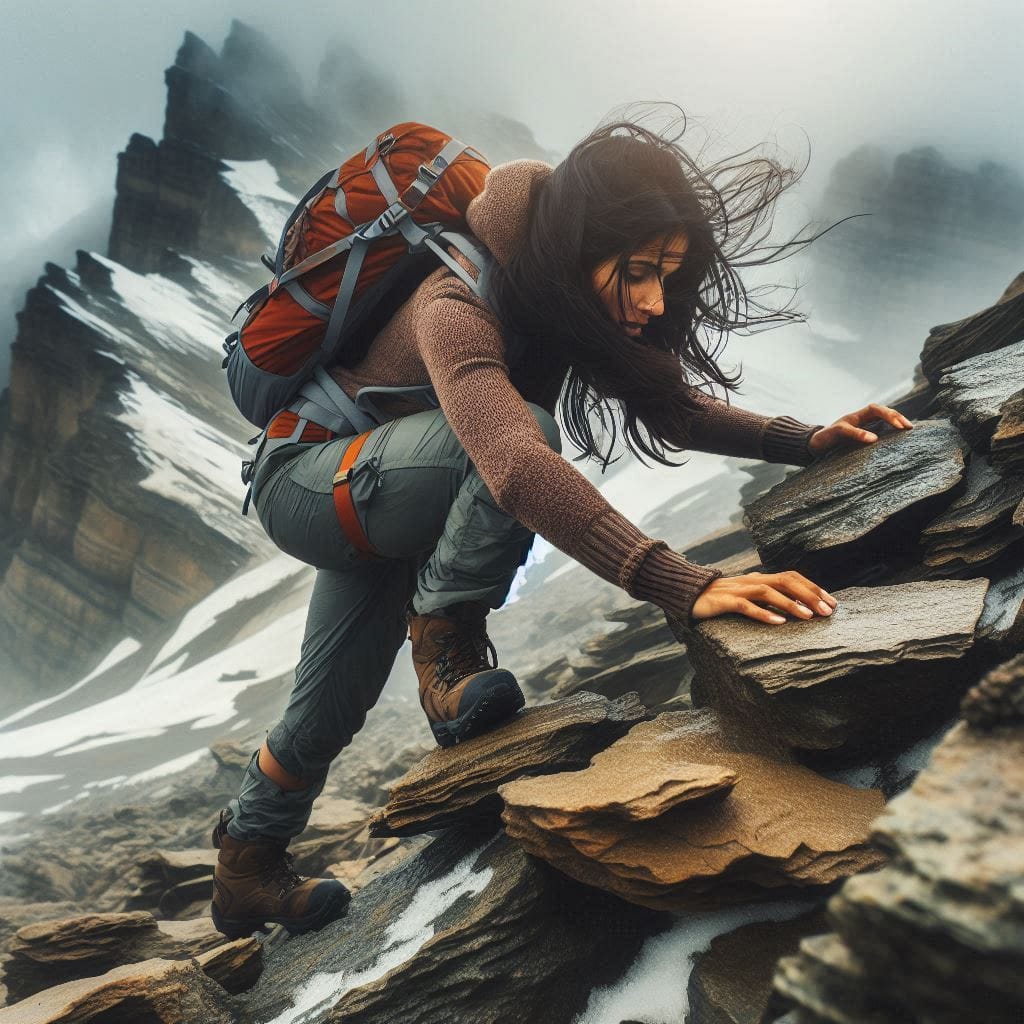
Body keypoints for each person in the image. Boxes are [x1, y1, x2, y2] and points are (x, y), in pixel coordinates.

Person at [209, 110, 913, 939]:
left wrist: (804, 440)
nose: (654, 300)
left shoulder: (558, 291)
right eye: (642, 271)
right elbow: (510, 461)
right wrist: (686, 587)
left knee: (331, 701)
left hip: (386, 481)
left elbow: (671, 408)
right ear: (584, 244)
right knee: (528, 434)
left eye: (669, 275)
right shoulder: (456, 298)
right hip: (309, 481)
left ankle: (246, 863)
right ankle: (448, 653)